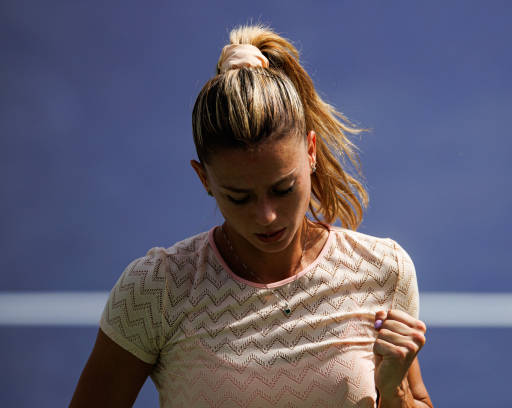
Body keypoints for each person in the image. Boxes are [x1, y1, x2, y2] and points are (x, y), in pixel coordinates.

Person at [70, 24, 432, 408]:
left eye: (283, 188)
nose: (266, 216)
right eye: (239, 197)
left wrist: (396, 391)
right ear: (204, 178)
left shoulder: (383, 271)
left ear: (311, 151)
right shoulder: (156, 291)